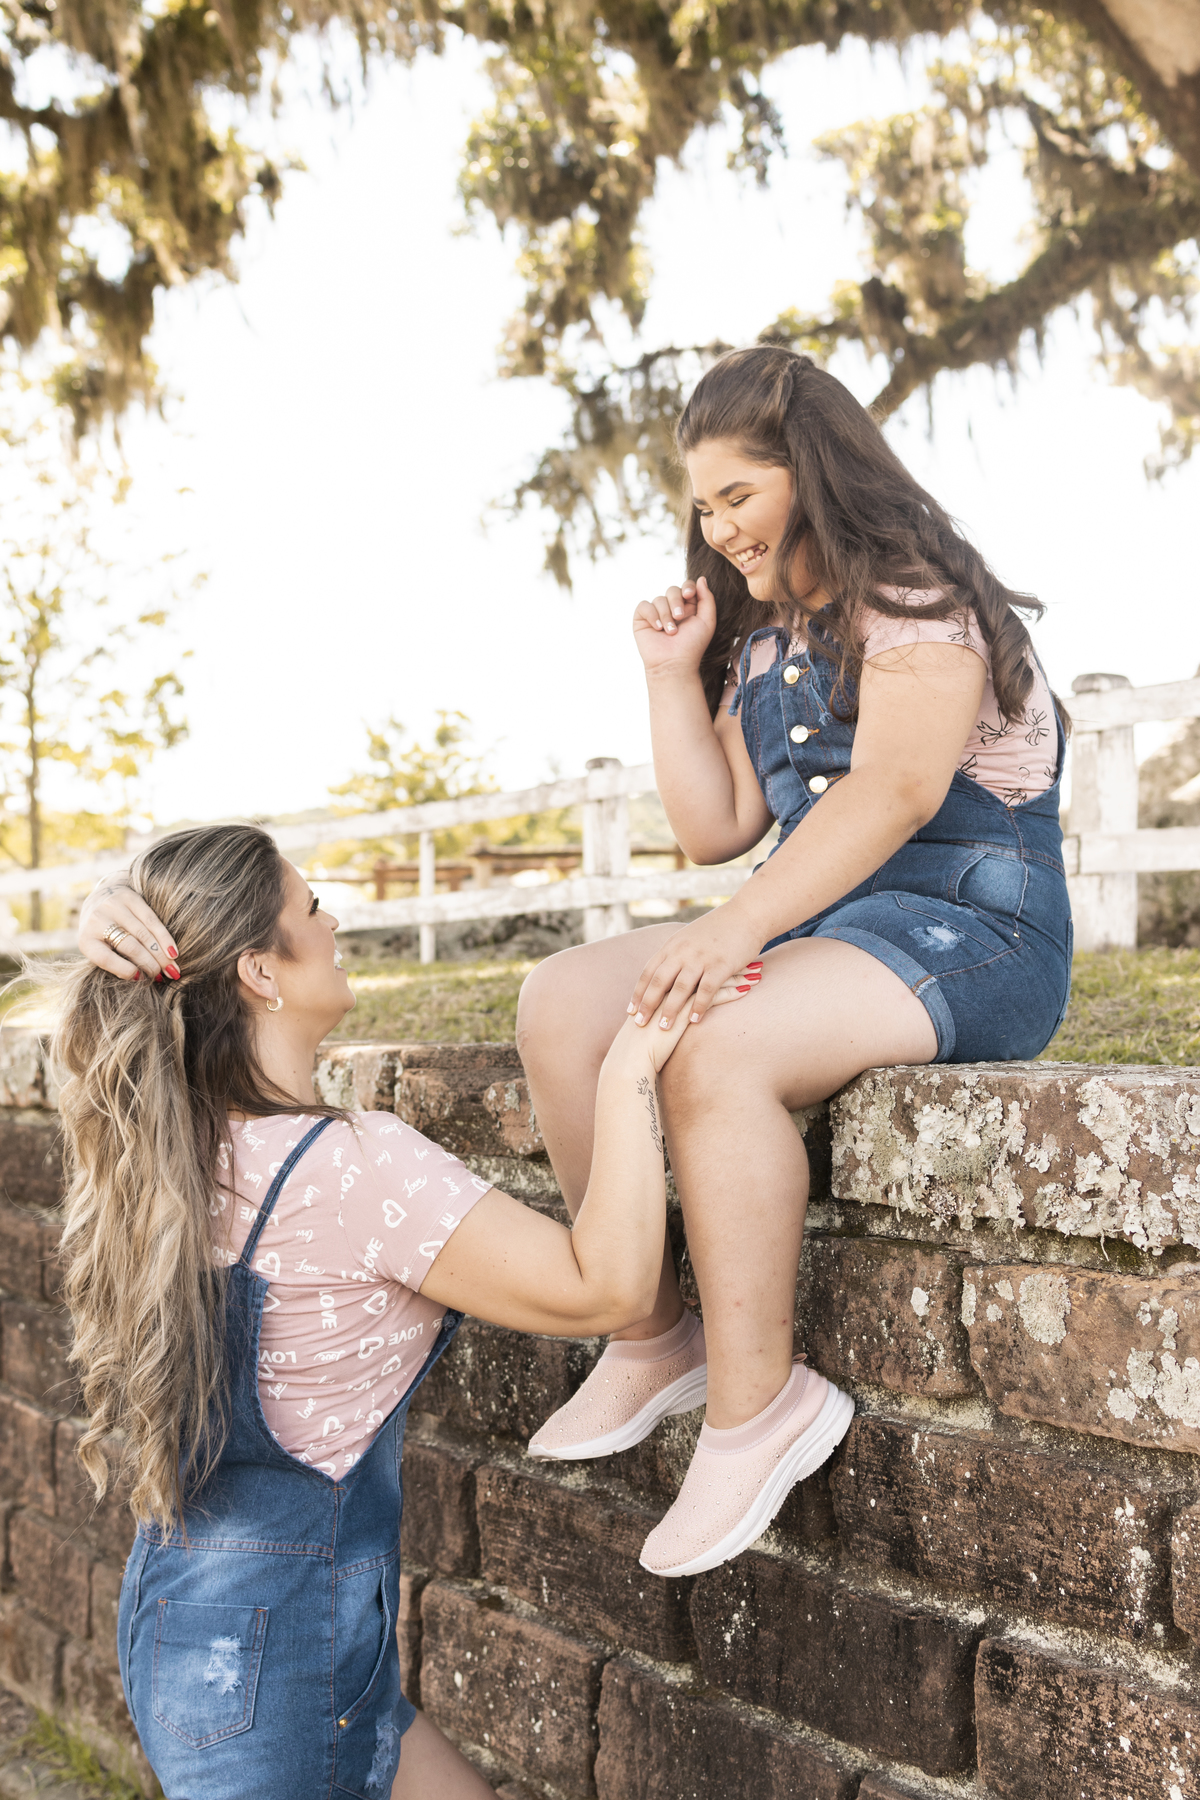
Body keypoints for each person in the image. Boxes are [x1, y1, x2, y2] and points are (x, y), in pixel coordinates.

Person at [515, 345, 1072, 1579]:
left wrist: (734, 932)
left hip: (975, 924)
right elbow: (712, 824)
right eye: (701, 506)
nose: (716, 530)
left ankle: (761, 1407)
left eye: (738, 498)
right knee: (562, 1005)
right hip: (829, 925)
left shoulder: (916, 594)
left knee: (713, 1043)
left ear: (810, 471)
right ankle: (655, 1334)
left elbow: (896, 789)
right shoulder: (764, 642)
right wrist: (671, 674)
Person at [60, 822, 761, 1799]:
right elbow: (604, 1287)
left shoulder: (164, 1152)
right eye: (311, 908)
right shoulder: (355, 1167)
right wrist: (627, 1067)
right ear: (260, 972)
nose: (335, 916)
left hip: (191, 1626)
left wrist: (102, 911)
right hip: (283, 1666)